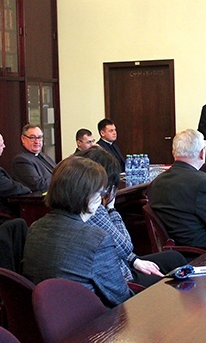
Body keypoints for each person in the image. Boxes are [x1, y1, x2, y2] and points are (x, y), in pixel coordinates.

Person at [22, 156, 133, 308]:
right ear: (86, 196)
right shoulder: (97, 239)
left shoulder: (35, 228)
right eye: (100, 193)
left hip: (50, 316)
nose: (101, 199)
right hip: (93, 322)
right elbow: (121, 297)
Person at [78, 146, 187, 287]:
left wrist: (134, 260)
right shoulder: (92, 209)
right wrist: (111, 209)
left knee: (174, 258)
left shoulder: (90, 202)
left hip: (124, 263)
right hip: (121, 276)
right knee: (167, 278)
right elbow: (126, 246)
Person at [149, 129, 206, 250]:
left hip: (176, 253)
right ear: (202, 153)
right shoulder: (204, 184)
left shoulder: (157, 182)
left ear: (173, 153)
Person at [11, 124, 56, 192]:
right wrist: (60, 179)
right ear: (23, 139)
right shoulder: (21, 160)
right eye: (32, 138)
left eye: (39, 137)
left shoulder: (45, 156)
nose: (37, 142)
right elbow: (38, 185)